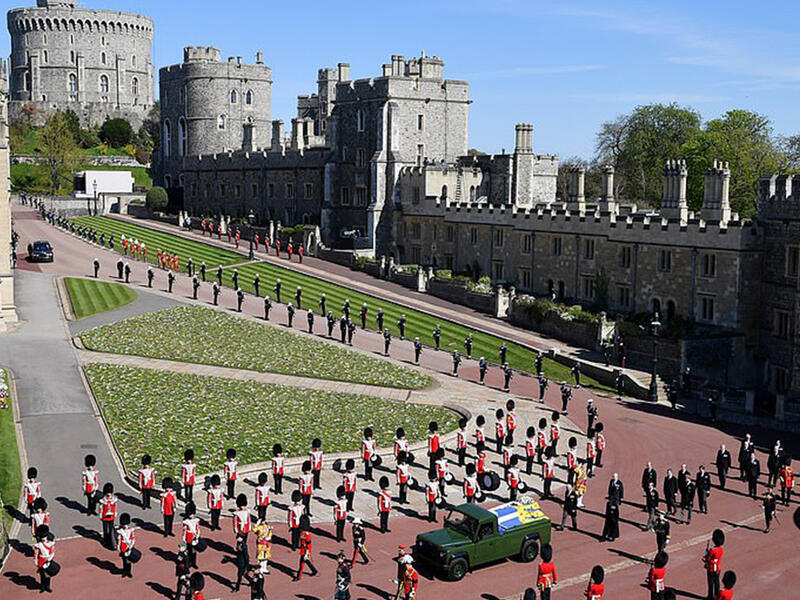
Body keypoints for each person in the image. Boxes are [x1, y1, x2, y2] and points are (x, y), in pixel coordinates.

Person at [232, 494, 251, 592]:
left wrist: (248, 529)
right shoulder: (237, 514)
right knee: (242, 547)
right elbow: (235, 524)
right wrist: (237, 531)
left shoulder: (246, 512)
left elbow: (248, 521)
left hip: (244, 531)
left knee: (243, 547)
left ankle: (245, 560)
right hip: (241, 531)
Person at [33, 525, 55, 593]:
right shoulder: (38, 545)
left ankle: (47, 586)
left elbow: (52, 551)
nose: (43, 538)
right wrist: (36, 561)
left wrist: (49, 559)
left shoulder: (50, 543)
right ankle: (42, 586)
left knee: (48, 575)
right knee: (42, 575)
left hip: (48, 559)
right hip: (41, 561)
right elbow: (36, 554)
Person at [704, 529, 725, 600]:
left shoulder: (712, 550)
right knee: (717, 581)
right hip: (718, 568)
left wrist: (706, 556)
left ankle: (710, 596)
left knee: (710, 583)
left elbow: (708, 559)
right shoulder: (721, 549)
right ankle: (716, 595)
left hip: (711, 568)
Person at [99, 482, 118, 549]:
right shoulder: (103, 500)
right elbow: (101, 508)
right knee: (105, 529)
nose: (109, 496)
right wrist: (100, 515)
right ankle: (106, 540)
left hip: (111, 516)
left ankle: (111, 541)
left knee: (111, 529)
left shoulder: (113, 499)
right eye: (107, 495)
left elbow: (115, 507)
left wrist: (115, 513)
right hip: (105, 516)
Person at [182, 501, 201, 569]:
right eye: (191, 514)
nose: (192, 516)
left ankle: (194, 563)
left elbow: (198, 529)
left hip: (194, 537)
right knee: (189, 551)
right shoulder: (186, 522)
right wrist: (183, 540)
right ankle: (189, 562)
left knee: (194, 551)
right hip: (188, 537)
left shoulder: (196, 520)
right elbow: (184, 531)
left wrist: (197, 535)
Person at [117, 513, 136, 578]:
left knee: (129, 561)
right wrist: (119, 549)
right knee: (124, 560)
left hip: (128, 546)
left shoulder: (130, 530)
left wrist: (130, 547)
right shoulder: (120, 531)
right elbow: (119, 540)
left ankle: (128, 571)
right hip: (123, 547)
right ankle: (125, 571)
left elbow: (133, 539)